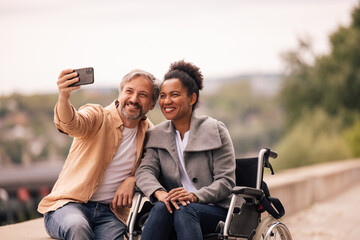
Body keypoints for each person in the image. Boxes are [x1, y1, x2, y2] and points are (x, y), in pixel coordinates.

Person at [37, 68, 161, 240]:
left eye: (143, 95)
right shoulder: (97, 115)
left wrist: (133, 179)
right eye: (129, 91)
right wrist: (64, 97)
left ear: (152, 104)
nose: (134, 99)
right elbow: (71, 123)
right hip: (68, 206)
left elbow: (154, 170)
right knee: (77, 227)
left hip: (110, 214)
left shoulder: (150, 133)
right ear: (120, 94)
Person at [135, 60, 236, 240]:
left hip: (214, 209)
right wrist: (160, 193)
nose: (166, 101)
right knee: (160, 207)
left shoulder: (215, 129)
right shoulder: (156, 134)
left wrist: (194, 196)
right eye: (163, 96)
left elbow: (225, 182)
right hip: (173, 207)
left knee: (185, 210)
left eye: (174, 95)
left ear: (192, 98)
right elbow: (145, 171)